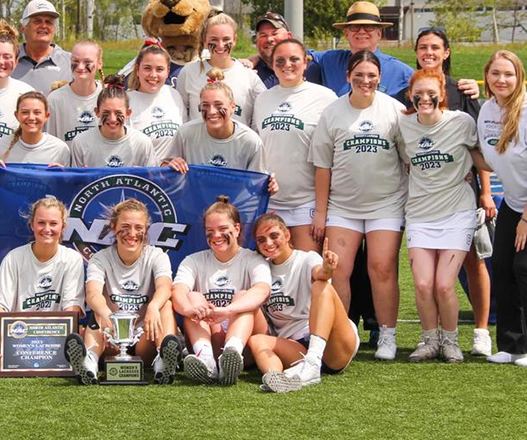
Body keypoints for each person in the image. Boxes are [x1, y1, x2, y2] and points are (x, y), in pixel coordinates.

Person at [396, 27, 493, 356]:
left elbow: (485, 155)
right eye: (418, 94)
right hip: (420, 212)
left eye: (431, 94)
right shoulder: (401, 123)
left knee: (446, 281)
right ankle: (429, 340)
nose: (424, 99)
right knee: (423, 284)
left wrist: (487, 190)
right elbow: (395, 159)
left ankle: (456, 340)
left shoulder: (462, 118)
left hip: (457, 210)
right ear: (410, 94)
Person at [309, 50, 407, 361]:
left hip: (386, 205)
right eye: (359, 75)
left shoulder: (395, 110)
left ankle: (387, 335)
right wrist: (321, 213)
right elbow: (323, 166)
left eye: (372, 75)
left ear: (380, 77)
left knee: (382, 268)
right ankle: (343, 333)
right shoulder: (334, 112)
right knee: (339, 271)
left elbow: (408, 160)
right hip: (343, 207)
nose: (366, 81)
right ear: (348, 76)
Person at [64, 198, 181, 385]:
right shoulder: (100, 258)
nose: (132, 233)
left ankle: (163, 361)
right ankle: (89, 362)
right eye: (125, 226)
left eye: (138, 227)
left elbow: (165, 287)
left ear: (146, 230)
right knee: (97, 308)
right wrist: (105, 313)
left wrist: (153, 306)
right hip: (110, 338)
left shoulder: (156, 255)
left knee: (164, 305)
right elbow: (92, 293)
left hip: (146, 337)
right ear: (113, 227)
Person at [0, 198, 85, 365]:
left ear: (63, 227)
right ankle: (3, 357)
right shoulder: (14, 257)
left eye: (53, 223)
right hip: (17, 334)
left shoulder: (72, 259)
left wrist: (50, 334)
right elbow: (0, 305)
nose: (47, 229)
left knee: (93, 338)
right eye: (41, 223)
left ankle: (2, 361)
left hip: (56, 334)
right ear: (32, 225)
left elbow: (72, 308)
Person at [249, 214, 359, 393]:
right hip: (296, 346)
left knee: (321, 287)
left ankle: (313, 362)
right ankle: (277, 378)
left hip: (332, 343)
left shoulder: (306, 258)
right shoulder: (260, 268)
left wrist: (327, 269)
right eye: (261, 240)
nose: (268, 243)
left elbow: (320, 274)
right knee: (256, 341)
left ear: (287, 235)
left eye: (274, 236)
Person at [171, 196, 271, 385]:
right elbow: (177, 292)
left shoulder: (253, 258)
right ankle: (207, 361)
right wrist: (190, 310)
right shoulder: (194, 260)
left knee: (244, 296)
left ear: (237, 229)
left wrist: (227, 311)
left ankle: (232, 353)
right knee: (192, 296)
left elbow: (262, 291)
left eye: (223, 229)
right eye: (210, 231)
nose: (216, 236)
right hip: (211, 334)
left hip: (247, 342)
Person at [252, 39, 337, 253]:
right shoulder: (263, 99)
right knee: (274, 275)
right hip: (270, 202)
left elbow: (331, 155)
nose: (287, 64)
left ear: (305, 63)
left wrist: (320, 211)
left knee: (308, 273)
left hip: (306, 202)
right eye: (280, 60)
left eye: (294, 59)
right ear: (272, 64)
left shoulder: (324, 97)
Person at [473, 51, 527, 366]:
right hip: (514, 201)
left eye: (508, 74)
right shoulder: (487, 111)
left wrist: (525, 220)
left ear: (518, 77)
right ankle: (512, 345)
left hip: (525, 208)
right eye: (495, 74)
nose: (501, 80)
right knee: (503, 267)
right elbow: (489, 159)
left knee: (524, 268)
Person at [164, 69, 266, 174]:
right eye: (205, 105)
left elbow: (257, 181)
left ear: (232, 107)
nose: (212, 111)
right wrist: (172, 165)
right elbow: (164, 169)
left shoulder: (251, 141)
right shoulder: (185, 134)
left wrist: (269, 184)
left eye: (218, 105)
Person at [175, 10, 266, 126]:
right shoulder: (188, 73)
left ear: (235, 40)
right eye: (214, 40)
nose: (220, 45)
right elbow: (179, 117)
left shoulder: (249, 76)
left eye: (226, 39)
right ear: (205, 40)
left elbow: (260, 120)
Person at [310, 1, 413, 96]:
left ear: (379, 33)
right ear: (346, 33)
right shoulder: (329, 60)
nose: (362, 31)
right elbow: (299, 55)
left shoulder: (401, 73)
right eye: (355, 26)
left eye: (368, 26)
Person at [71, 75, 158, 168]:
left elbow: (154, 179)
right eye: (106, 113)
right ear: (97, 112)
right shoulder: (81, 143)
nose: (112, 119)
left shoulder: (142, 143)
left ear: (128, 113)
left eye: (118, 113)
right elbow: (72, 180)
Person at [126, 42, 187, 160]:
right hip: (145, 174)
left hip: (176, 175)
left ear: (168, 71)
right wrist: (160, 164)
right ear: (138, 69)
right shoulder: (126, 101)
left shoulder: (174, 95)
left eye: (159, 69)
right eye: (147, 68)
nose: (153, 75)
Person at [46, 39, 103, 146]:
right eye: (75, 61)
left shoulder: (107, 97)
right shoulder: (55, 99)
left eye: (87, 62)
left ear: (99, 63)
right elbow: (50, 144)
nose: (80, 67)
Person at [12, 0, 73, 95]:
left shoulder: (71, 62)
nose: (44, 26)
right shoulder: (8, 61)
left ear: (54, 29)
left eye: (49, 22)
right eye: (37, 21)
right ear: (23, 28)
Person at [0, 92, 70, 166]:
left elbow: (69, 180)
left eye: (37, 112)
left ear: (47, 115)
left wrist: (62, 174)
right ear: (16, 115)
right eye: (25, 112)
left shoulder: (60, 149)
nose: (31, 118)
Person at [250, 12, 322, 89]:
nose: (269, 39)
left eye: (275, 33)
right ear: (256, 41)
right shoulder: (250, 72)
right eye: (263, 35)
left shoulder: (311, 69)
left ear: (289, 37)